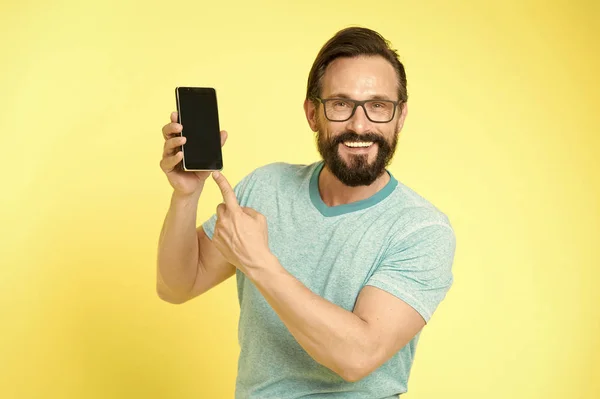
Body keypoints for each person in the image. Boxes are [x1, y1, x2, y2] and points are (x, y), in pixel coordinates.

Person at [157, 26, 456, 399]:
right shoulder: (266, 188)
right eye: (341, 104)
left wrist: (260, 262)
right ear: (313, 114)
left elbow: (356, 357)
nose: (359, 125)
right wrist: (186, 196)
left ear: (400, 116)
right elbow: (175, 286)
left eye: (378, 105)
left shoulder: (420, 230)